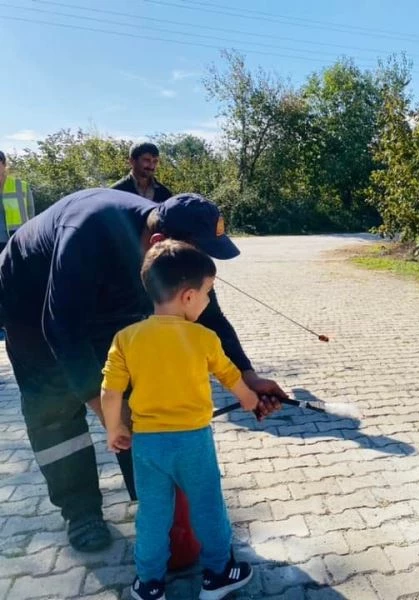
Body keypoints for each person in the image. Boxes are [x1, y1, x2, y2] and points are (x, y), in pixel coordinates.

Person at [0, 188, 284, 553]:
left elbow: (209, 317)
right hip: (29, 299)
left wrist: (248, 375)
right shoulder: (87, 233)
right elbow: (61, 327)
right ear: (160, 243)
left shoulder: (172, 250)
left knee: (140, 397)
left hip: (98, 298)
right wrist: (104, 408)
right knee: (54, 406)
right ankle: (81, 511)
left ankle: (154, 502)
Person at [102, 240, 257, 600]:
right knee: (208, 507)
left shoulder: (126, 338)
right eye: (208, 292)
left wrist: (116, 429)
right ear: (188, 296)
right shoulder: (204, 337)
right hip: (193, 443)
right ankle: (218, 574)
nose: (207, 300)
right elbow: (231, 377)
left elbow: (110, 393)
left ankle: (149, 583)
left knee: (153, 515)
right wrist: (250, 401)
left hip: (147, 445)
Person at [0, 149, 36, 253]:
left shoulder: (21, 185)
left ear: (4, 164)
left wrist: (31, 234)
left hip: (18, 237)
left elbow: (31, 212)